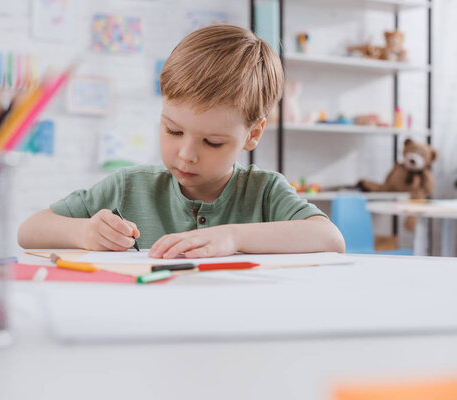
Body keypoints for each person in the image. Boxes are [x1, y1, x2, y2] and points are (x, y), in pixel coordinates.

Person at [18, 24, 345, 258]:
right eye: (173, 131)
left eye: (212, 142)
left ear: (253, 134)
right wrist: (85, 232)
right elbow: (29, 230)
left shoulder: (264, 192)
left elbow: (330, 238)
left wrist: (232, 237)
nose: (186, 155)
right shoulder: (129, 188)